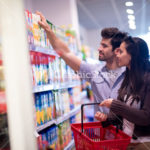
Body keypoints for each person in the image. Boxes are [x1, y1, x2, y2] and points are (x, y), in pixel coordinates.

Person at [36, 11, 127, 114]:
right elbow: (66, 53)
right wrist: (48, 30)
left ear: (116, 51)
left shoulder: (129, 74)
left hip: (123, 129)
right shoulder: (94, 71)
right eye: (100, 45)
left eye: (104, 46)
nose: (99, 49)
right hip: (100, 128)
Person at [95, 36, 150, 149]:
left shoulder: (147, 80)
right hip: (126, 142)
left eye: (121, 51)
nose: (117, 55)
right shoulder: (128, 79)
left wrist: (115, 105)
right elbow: (123, 116)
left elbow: (146, 117)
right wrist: (106, 118)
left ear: (132, 55)